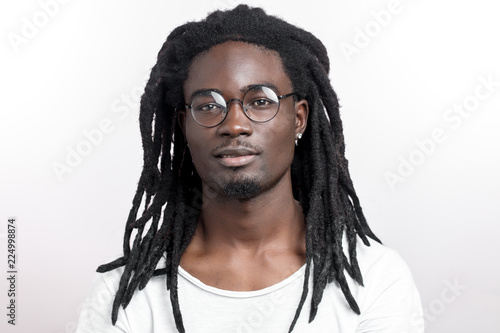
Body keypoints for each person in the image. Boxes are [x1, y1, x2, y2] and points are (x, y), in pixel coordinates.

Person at [76, 5, 423, 332]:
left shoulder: (374, 279)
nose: (235, 124)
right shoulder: (124, 294)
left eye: (260, 101)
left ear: (298, 118)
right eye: (209, 105)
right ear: (184, 125)